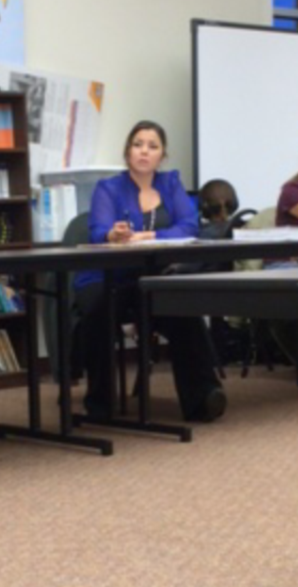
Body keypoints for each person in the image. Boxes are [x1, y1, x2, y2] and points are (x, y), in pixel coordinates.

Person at [74, 119, 224, 422]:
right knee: (99, 313)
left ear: (162, 156)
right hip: (108, 277)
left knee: (183, 310)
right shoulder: (109, 188)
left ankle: (202, 398)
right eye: (138, 144)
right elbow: (97, 231)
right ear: (128, 151)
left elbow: (189, 227)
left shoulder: (170, 183)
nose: (144, 151)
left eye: (152, 146)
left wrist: (150, 236)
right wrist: (112, 235)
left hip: (152, 277)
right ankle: (100, 404)